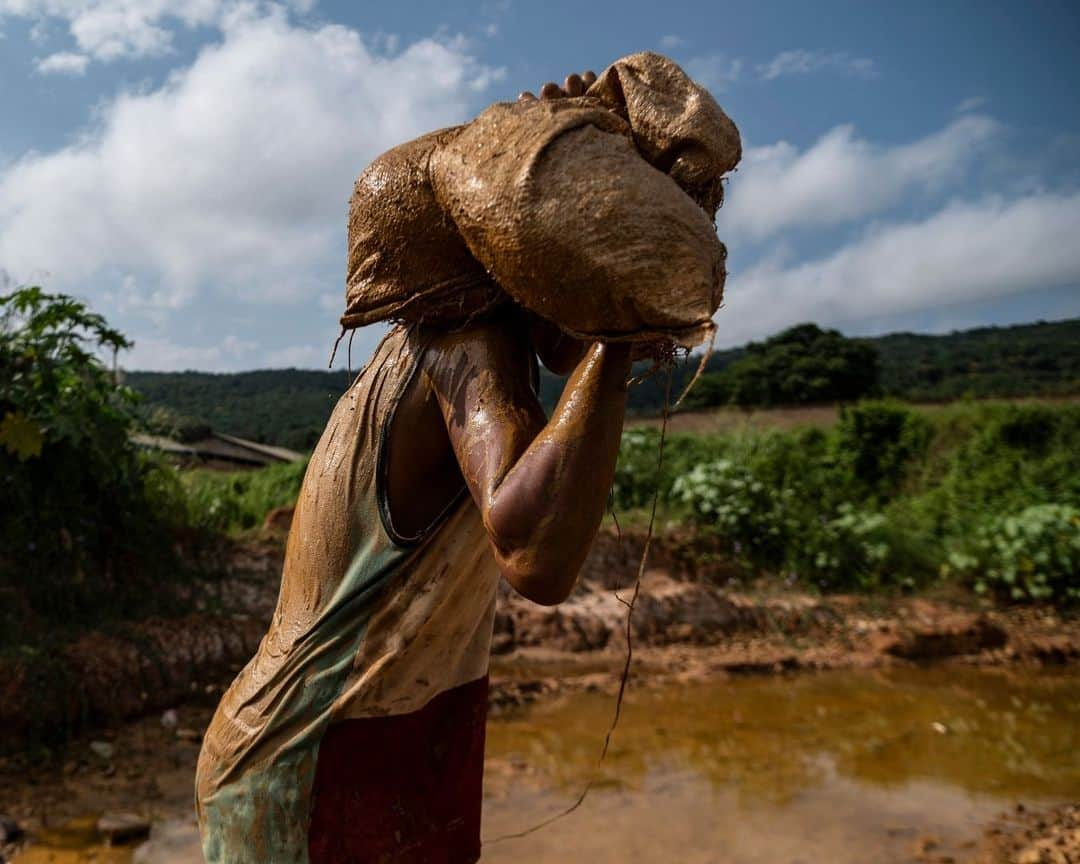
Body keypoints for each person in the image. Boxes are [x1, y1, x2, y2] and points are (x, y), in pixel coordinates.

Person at [196, 74, 643, 864]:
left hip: (378, 734)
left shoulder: (444, 345)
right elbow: (535, 551)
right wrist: (621, 335)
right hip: (325, 747)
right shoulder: (464, 338)